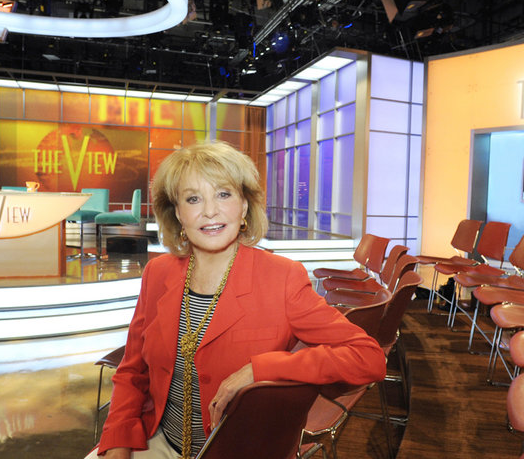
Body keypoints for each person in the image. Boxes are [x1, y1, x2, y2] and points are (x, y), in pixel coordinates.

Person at [86, 141, 387, 459]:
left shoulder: (282, 277)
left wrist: (262, 370)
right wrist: (118, 443)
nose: (210, 211)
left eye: (224, 194)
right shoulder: (158, 273)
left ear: (244, 206)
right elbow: (132, 370)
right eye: (193, 199)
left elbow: (368, 358)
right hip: (157, 442)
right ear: (177, 213)